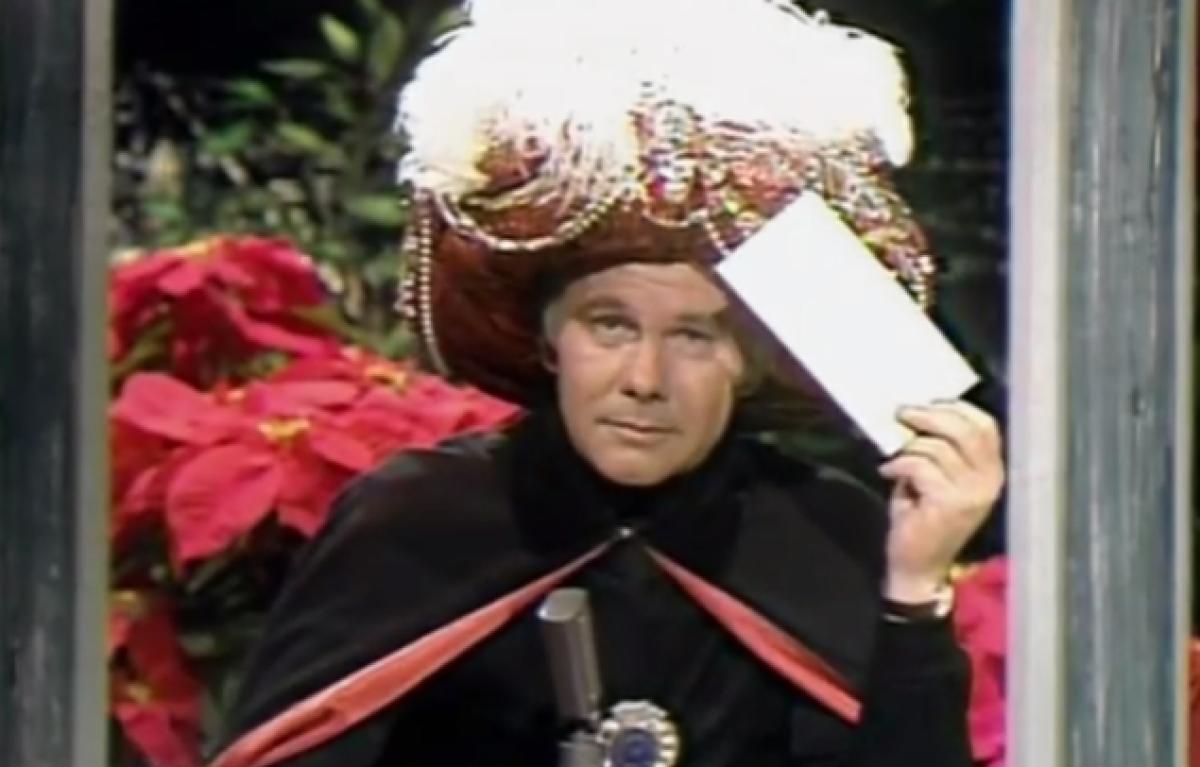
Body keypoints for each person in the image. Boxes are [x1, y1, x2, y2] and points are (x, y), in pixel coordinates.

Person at [211, 1, 1005, 765]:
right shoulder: (414, 520)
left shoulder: (826, 532)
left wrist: (914, 589)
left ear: (751, 361)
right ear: (550, 338)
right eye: (610, 325)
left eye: (694, 336)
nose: (645, 379)